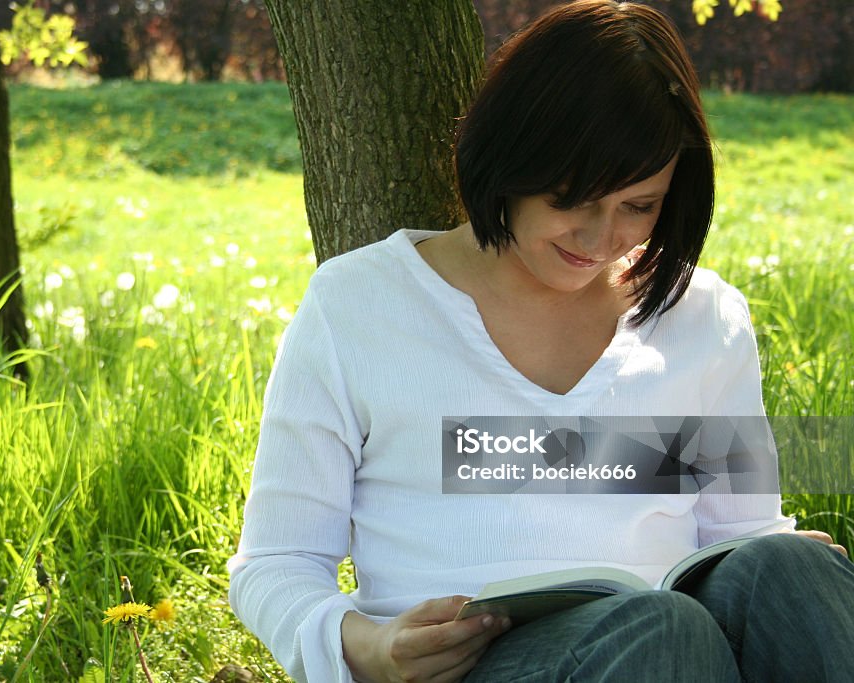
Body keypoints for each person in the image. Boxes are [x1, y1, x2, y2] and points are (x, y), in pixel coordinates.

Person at [227, 2, 854, 681]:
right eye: (571, 196)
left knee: (790, 567)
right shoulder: (360, 306)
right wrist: (368, 648)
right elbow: (276, 562)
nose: (599, 238)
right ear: (512, 154)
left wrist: (802, 576)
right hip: (477, 666)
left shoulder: (703, 315)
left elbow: (741, 544)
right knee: (659, 626)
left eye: (638, 206)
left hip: (680, 650)